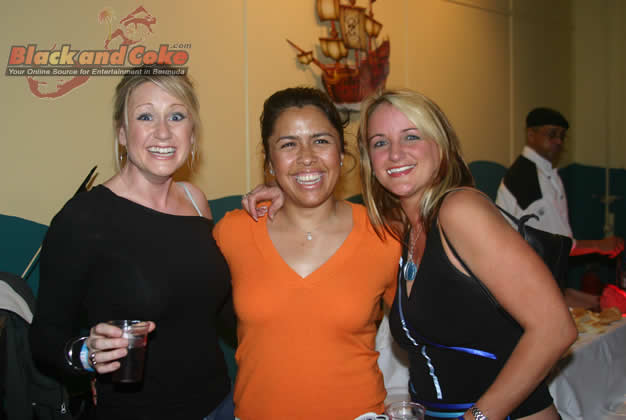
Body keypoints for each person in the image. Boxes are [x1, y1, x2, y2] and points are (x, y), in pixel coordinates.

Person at [30, 68, 235, 420]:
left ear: (192, 131)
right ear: (123, 133)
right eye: (145, 116)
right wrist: (85, 354)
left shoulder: (195, 200)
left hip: (218, 405)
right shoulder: (83, 217)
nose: (163, 132)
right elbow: (44, 338)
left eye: (176, 116)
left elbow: (216, 309)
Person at [358, 90, 577, 419]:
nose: (395, 153)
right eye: (380, 143)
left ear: (441, 145)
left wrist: (477, 417)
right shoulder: (404, 229)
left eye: (411, 136)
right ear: (369, 161)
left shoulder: (460, 210)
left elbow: (556, 329)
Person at [214, 87, 401, 420]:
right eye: (288, 144)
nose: (307, 157)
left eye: (321, 141)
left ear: (341, 153)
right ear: (269, 161)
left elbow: (429, 332)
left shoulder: (383, 236)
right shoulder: (233, 232)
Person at [496, 107, 625, 309]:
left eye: (562, 136)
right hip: (524, 291)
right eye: (552, 134)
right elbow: (555, 244)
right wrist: (599, 245)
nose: (558, 141)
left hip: (538, 287)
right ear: (531, 134)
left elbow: (555, 282)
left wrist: (599, 302)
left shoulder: (546, 174)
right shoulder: (528, 179)